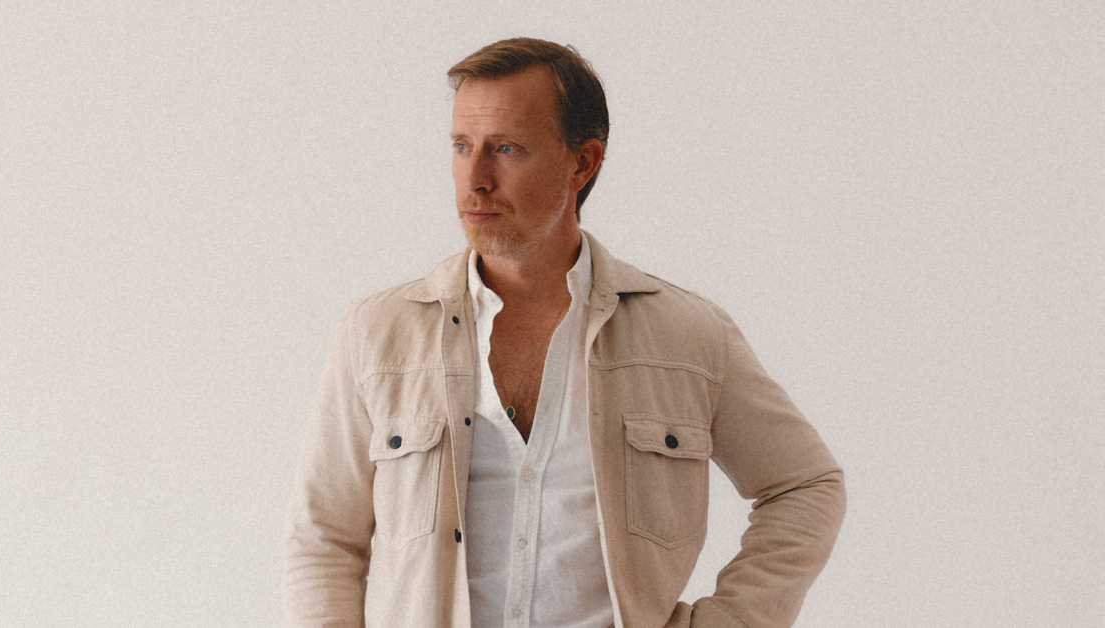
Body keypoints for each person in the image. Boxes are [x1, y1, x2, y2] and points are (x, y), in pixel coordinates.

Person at [284, 37, 845, 628]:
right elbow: (322, 536)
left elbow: (806, 484)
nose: (475, 178)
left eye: (506, 148)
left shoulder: (687, 337)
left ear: (583, 162)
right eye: (460, 146)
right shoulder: (379, 335)